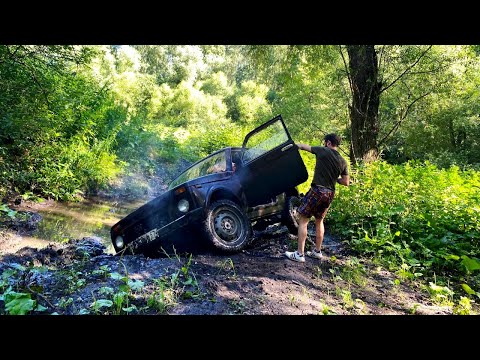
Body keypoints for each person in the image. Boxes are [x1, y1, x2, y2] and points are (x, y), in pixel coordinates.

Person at [285, 133, 350, 263]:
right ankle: (317, 251)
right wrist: (334, 178)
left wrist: (292, 146)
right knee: (319, 221)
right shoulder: (343, 161)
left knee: (303, 220)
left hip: (318, 190)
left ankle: (299, 254)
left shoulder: (323, 151)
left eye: (325, 142)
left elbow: (304, 147)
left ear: (328, 143)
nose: (324, 144)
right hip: (330, 193)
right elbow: (346, 182)